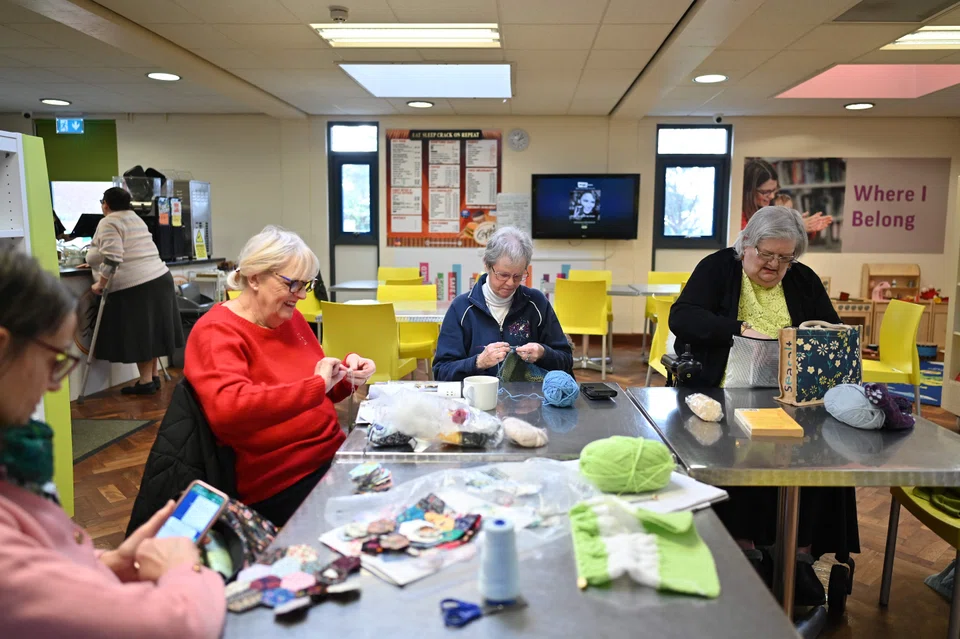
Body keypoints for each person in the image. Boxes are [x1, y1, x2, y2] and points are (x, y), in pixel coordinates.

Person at [0, 249, 224, 638]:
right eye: (54, 360)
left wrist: (106, 562)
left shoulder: (16, 468)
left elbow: (42, 575)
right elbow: (177, 624)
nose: (55, 384)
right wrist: (182, 569)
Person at [669, 206, 859, 606]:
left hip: (793, 399)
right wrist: (736, 328)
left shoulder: (803, 280)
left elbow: (829, 328)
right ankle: (745, 548)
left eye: (785, 258)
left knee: (824, 453)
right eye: (766, 254)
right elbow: (682, 317)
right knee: (736, 449)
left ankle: (799, 556)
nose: (775, 265)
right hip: (721, 393)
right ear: (746, 244)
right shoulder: (718, 268)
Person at [184, 226, 376, 526]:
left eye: (306, 286)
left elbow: (314, 390)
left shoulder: (290, 318)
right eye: (292, 285)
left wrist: (346, 377)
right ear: (255, 278)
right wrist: (317, 385)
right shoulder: (216, 331)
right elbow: (229, 412)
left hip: (330, 456)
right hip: (281, 480)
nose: (300, 296)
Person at [433, 226, 573, 382]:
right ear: (487, 265)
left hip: (527, 401)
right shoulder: (461, 309)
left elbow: (566, 360)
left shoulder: (536, 303)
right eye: (503, 275)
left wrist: (543, 354)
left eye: (518, 276)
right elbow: (441, 372)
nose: (510, 283)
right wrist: (478, 362)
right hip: (477, 401)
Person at [86, 187, 183, 395]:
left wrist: (101, 283)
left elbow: (113, 257)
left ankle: (146, 382)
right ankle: (153, 377)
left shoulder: (109, 221)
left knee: (141, 333)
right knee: (152, 331)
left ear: (106, 204)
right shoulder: (135, 218)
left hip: (137, 284)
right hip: (159, 278)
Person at [742, 159, 832, 234]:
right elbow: (752, 242)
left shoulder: (775, 203)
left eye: (774, 189)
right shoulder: (737, 215)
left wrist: (804, 226)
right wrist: (794, 227)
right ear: (749, 190)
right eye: (766, 192)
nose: (772, 196)